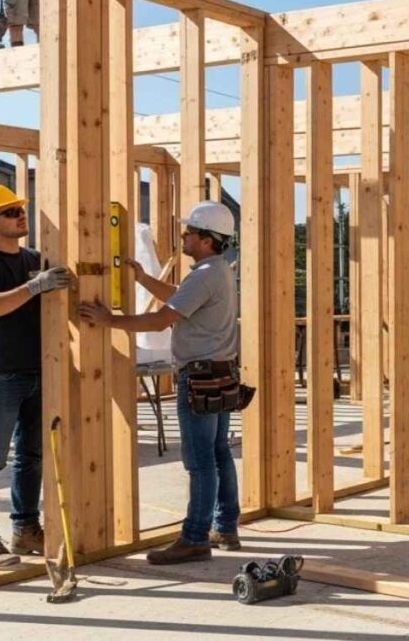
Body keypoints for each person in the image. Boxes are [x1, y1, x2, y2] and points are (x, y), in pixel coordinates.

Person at [78, 201, 241, 564]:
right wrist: (143, 279)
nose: (183, 236)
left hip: (199, 377)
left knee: (199, 462)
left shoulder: (204, 275)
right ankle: (226, 526)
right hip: (220, 374)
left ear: (206, 239)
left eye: (189, 232)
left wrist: (109, 321)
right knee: (217, 452)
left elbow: (158, 322)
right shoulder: (217, 271)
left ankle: (195, 537)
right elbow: (180, 299)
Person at [0, 183, 71, 565]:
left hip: (39, 369)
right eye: (9, 211)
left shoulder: (34, 257)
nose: (21, 215)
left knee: (32, 457)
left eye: (20, 209)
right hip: (0, 371)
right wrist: (34, 286)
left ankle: (25, 529)